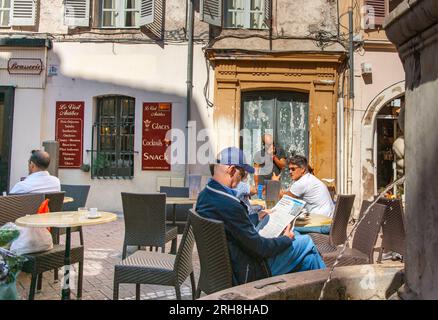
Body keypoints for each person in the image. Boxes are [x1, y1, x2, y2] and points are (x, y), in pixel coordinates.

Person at [196, 147, 325, 285]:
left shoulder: (205, 195)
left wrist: (256, 217)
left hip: (225, 270)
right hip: (249, 273)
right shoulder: (230, 204)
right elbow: (260, 248)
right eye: (243, 173)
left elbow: (234, 226)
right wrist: (285, 239)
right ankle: (331, 287)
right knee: (306, 241)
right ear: (232, 170)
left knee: (309, 260)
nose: (243, 178)